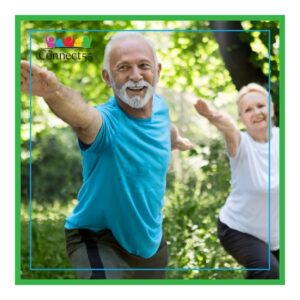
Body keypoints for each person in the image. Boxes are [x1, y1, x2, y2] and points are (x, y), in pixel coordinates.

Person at [21, 32, 193, 279]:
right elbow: (82, 117)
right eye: (123, 68)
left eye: (143, 66)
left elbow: (165, 127)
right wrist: (53, 91)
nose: (135, 76)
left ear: (157, 71)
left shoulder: (161, 107)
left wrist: (176, 141)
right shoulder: (106, 123)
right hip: (98, 237)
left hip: (150, 244)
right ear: (107, 77)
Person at [194, 83, 279, 279]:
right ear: (241, 118)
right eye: (248, 110)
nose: (256, 112)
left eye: (261, 106)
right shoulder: (241, 144)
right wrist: (212, 115)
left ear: (272, 108)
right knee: (270, 272)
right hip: (238, 230)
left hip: (276, 236)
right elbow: (228, 127)